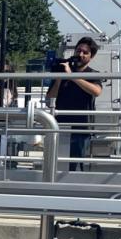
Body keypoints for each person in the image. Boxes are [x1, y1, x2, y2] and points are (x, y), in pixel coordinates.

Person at [46, 37, 103, 171]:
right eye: (78, 51)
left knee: (79, 165)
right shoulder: (64, 71)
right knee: (57, 163)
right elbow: (50, 98)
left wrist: (72, 76)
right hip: (60, 125)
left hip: (81, 126)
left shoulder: (92, 74)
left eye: (85, 52)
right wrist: (61, 77)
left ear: (91, 56)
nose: (80, 55)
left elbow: (96, 91)